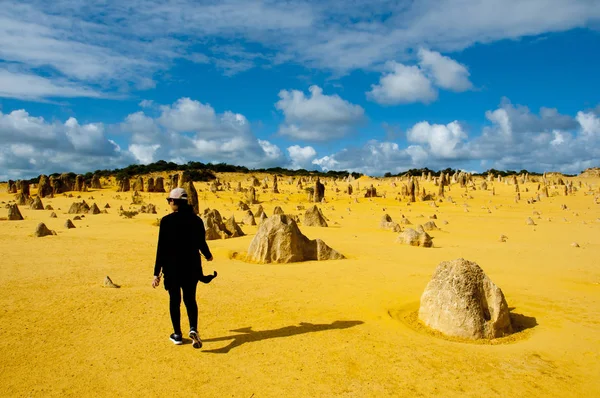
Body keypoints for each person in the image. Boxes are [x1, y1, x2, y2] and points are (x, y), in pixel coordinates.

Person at [152, 187, 216, 348]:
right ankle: (193, 328)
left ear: (174, 202)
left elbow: (161, 248)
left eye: (169, 201)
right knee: (190, 299)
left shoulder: (166, 221)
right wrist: (208, 256)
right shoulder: (196, 220)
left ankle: (177, 335)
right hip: (192, 267)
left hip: (172, 268)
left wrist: (156, 273)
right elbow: (202, 243)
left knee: (175, 300)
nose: (168, 203)